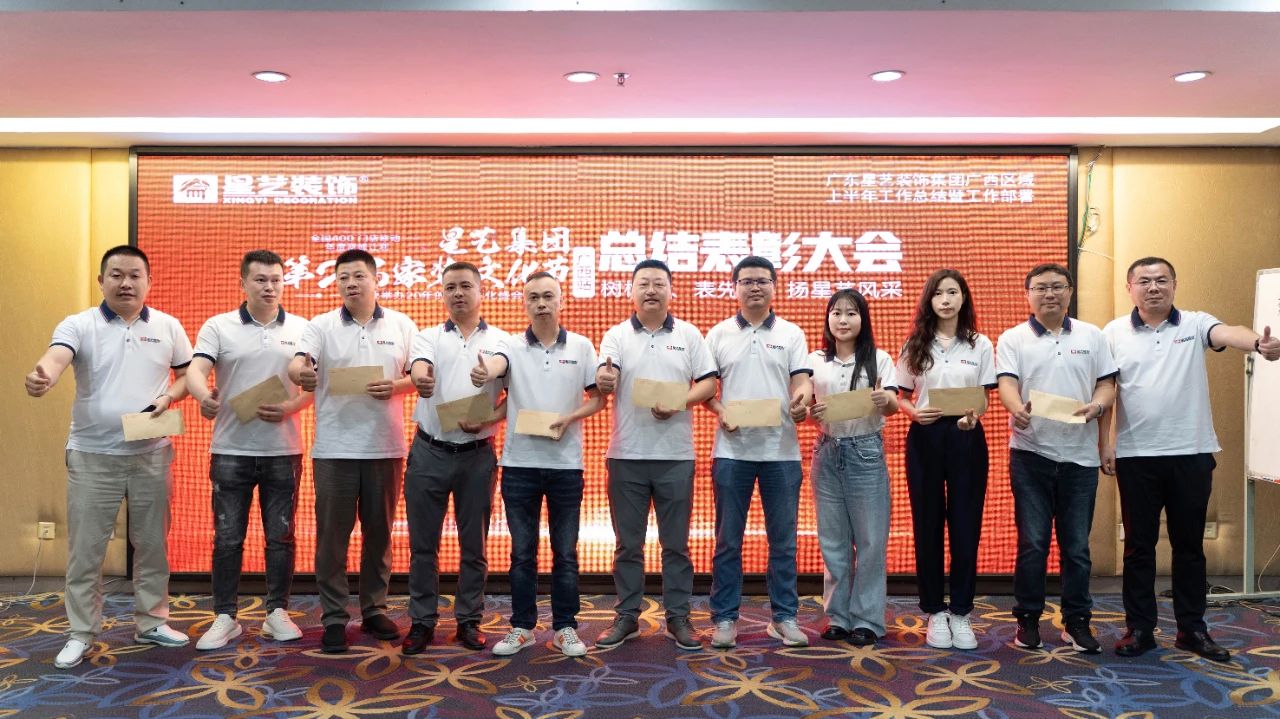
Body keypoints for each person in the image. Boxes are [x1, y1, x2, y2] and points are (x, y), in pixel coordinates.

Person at [1102, 256, 1280, 662]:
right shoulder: (1112, 332)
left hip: (1192, 453)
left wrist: (1258, 343)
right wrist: (1105, 444)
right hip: (1136, 456)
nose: (1153, 287)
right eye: (1144, 281)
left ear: (1174, 285)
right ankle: (1139, 629)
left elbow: (1229, 332)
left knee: (1189, 547)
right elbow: (1107, 388)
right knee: (1138, 548)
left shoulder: (1195, 323)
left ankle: (1192, 630)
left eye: (1161, 280)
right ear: (1130, 288)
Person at [25, 245, 193, 669]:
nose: (126, 283)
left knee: (152, 545)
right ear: (102, 281)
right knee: (87, 550)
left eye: (135, 275)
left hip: (151, 453)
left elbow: (187, 375)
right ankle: (81, 632)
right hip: (92, 455)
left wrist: (169, 397)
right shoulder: (79, 324)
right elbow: (56, 357)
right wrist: (44, 375)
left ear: (149, 282)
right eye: (116, 275)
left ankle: (152, 621)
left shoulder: (169, 326)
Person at [286, 248, 417, 654]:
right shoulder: (320, 325)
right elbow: (298, 363)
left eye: (358, 276)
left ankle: (374, 609)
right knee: (332, 538)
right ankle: (333, 617)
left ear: (376, 280)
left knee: (379, 535)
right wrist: (302, 373)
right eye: (343, 277)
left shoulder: (402, 324)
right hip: (335, 450)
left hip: (385, 448)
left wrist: (395, 386)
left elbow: (418, 375)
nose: (350, 283)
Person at [470, 272, 603, 658]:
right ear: (524, 303)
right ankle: (522, 627)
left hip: (566, 466)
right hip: (519, 466)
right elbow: (497, 369)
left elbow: (597, 399)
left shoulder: (581, 346)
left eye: (548, 296)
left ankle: (565, 627)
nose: (541, 303)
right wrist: (485, 372)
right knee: (522, 553)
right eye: (533, 297)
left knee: (566, 552)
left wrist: (569, 418)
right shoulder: (510, 346)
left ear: (560, 301)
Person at [186, 250, 312, 650]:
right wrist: (203, 396)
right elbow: (195, 370)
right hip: (231, 449)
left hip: (283, 450)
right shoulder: (218, 326)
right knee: (227, 538)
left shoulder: (303, 328)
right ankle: (225, 616)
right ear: (243, 283)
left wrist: (291, 407)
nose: (269, 287)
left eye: (276, 280)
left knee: (281, 537)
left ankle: (277, 612)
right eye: (260, 280)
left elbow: (313, 385)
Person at [592, 259, 718, 651]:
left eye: (659, 283)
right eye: (643, 283)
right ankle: (627, 616)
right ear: (631, 291)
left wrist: (679, 401)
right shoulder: (616, 336)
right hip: (626, 455)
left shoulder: (689, 334)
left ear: (670, 291)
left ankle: (678, 617)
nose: (651, 290)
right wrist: (605, 379)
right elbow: (606, 376)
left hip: (675, 457)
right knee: (627, 545)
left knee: (676, 545)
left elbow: (709, 384)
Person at [996, 262, 1116, 654]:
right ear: (1027, 295)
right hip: (1031, 454)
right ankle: (1027, 620)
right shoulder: (1013, 338)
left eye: (1057, 286)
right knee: (1033, 544)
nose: (1049, 294)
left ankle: (1076, 622)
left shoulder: (1092, 335)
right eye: (1041, 288)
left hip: (1080, 458)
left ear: (1070, 291)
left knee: (1077, 548)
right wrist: (1016, 408)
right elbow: (1007, 383)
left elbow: (1107, 384)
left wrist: (1098, 406)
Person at [704, 256, 813, 649]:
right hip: (731, 452)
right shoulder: (718, 334)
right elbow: (706, 390)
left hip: (781, 452)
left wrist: (801, 402)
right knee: (728, 540)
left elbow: (802, 382)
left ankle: (784, 617)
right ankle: (724, 618)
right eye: (747, 281)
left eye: (762, 281)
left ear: (773, 287)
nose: (754, 287)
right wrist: (721, 412)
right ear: (734, 287)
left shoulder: (791, 333)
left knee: (783, 541)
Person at [401, 262, 509, 654]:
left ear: (481, 292)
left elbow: (510, 385)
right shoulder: (427, 336)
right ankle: (422, 621)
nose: (458, 293)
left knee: (474, 545)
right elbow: (420, 365)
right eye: (450, 287)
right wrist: (421, 378)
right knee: (422, 545)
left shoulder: (502, 340)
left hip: (477, 456)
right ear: (443, 294)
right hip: (429, 451)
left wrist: (488, 403)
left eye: (465, 286)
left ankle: (469, 620)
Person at [896, 269, 996, 651]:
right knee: (928, 523)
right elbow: (901, 395)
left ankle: (962, 611)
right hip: (925, 435)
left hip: (966, 435)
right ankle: (935, 611)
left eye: (953, 292)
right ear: (929, 300)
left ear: (963, 298)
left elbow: (984, 397)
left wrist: (974, 416)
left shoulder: (979, 344)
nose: (946, 300)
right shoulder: (915, 344)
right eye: (938, 294)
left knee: (966, 524)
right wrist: (912, 413)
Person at [807, 289, 898, 647]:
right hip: (827, 451)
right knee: (833, 540)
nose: (843, 320)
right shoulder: (815, 360)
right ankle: (838, 617)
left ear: (863, 319)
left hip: (865, 452)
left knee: (871, 540)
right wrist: (807, 412)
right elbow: (802, 406)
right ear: (828, 319)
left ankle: (868, 620)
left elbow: (892, 404)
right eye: (836, 313)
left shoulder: (879, 358)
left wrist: (884, 399)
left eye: (851, 313)